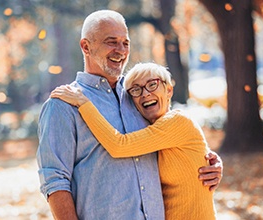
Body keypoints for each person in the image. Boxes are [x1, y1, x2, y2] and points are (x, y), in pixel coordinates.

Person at [37, 10, 222, 220]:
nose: (121, 50)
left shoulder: (140, 97)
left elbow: (174, 143)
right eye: (111, 42)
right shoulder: (63, 104)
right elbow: (55, 181)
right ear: (86, 46)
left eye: (125, 43)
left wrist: (210, 164)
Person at [51, 62, 217, 219]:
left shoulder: (178, 121)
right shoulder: (152, 132)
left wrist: (83, 103)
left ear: (169, 90)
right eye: (136, 90)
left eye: (152, 84)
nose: (145, 93)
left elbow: (119, 145)